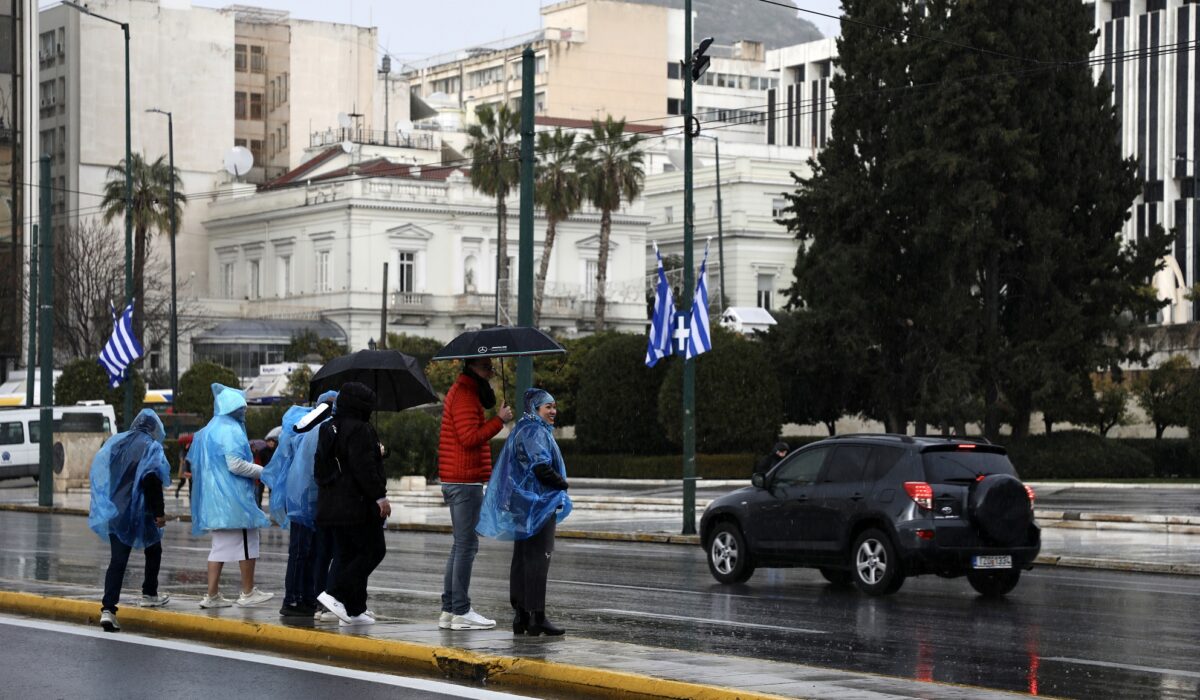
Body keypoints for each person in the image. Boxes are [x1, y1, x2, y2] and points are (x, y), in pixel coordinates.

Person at [478, 388, 572, 637]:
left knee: (522, 558)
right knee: (538, 559)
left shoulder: (523, 428)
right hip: (537, 503)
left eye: (554, 406)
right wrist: (562, 484)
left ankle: (521, 616)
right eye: (548, 407)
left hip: (525, 503)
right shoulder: (534, 431)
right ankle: (536, 617)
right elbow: (541, 467)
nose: (553, 411)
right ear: (535, 409)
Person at [436, 357, 513, 630]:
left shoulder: (463, 391)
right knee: (466, 546)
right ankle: (460, 611)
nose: (491, 372)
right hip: (464, 479)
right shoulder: (465, 395)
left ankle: (449, 609)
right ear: (473, 369)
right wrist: (498, 422)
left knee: (461, 545)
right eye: (486, 368)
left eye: (492, 368)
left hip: (459, 477)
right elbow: (469, 438)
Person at [189, 383, 274, 609]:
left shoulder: (210, 429)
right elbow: (235, 465)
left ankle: (212, 595)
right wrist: (265, 472)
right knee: (248, 543)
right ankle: (247, 592)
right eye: (242, 408)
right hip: (234, 499)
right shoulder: (231, 430)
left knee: (219, 548)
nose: (244, 412)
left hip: (215, 501)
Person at [89, 409, 173, 632]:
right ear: (153, 427)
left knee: (118, 560)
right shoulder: (152, 448)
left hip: (117, 509)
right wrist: (159, 514)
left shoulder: (118, 444)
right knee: (153, 549)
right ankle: (149, 593)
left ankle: (108, 609)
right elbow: (152, 480)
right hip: (142, 510)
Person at [315, 382, 390, 627]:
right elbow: (364, 469)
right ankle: (335, 592)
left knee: (348, 554)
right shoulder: (361, 429)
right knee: (373, 550)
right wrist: (380, 496)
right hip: (357, 505)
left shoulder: (328, 427)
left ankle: (355, 610)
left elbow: (321, 469)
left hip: (332, 505)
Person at [254, 435, 278, 507]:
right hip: (263, 472)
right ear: (267, 443)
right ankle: (259, 506)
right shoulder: (262, 451)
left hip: (272, 473)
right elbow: (258, 461)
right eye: (269, 442)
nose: (271, 443)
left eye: (272, 442)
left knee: (272, 491)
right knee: (260, 490)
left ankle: (272, 507)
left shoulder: (276, 451)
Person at [173, 433, 192, 499]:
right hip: (184, 468)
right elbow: (181, 459)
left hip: (189, 468)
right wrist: (184, 460)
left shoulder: (190, 448)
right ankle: (177, 491)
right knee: (183, 481)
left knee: (190, 482)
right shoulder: (182, 451)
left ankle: (190, 494)